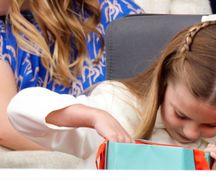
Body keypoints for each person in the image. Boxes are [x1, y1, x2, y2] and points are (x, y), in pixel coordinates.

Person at [7, 19, 216, 169]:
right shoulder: (118, 109)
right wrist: (91, 116)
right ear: (164, 80)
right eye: (180, 114)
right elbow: (18, 110)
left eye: (211, 123)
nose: (190, 132)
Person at [0, 0, 142, 150]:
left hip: (126, 141)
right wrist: (90, 154)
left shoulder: (116, 14)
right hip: (86, 154)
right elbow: (5, 126)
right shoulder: (5, 36)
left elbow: (153, 95)